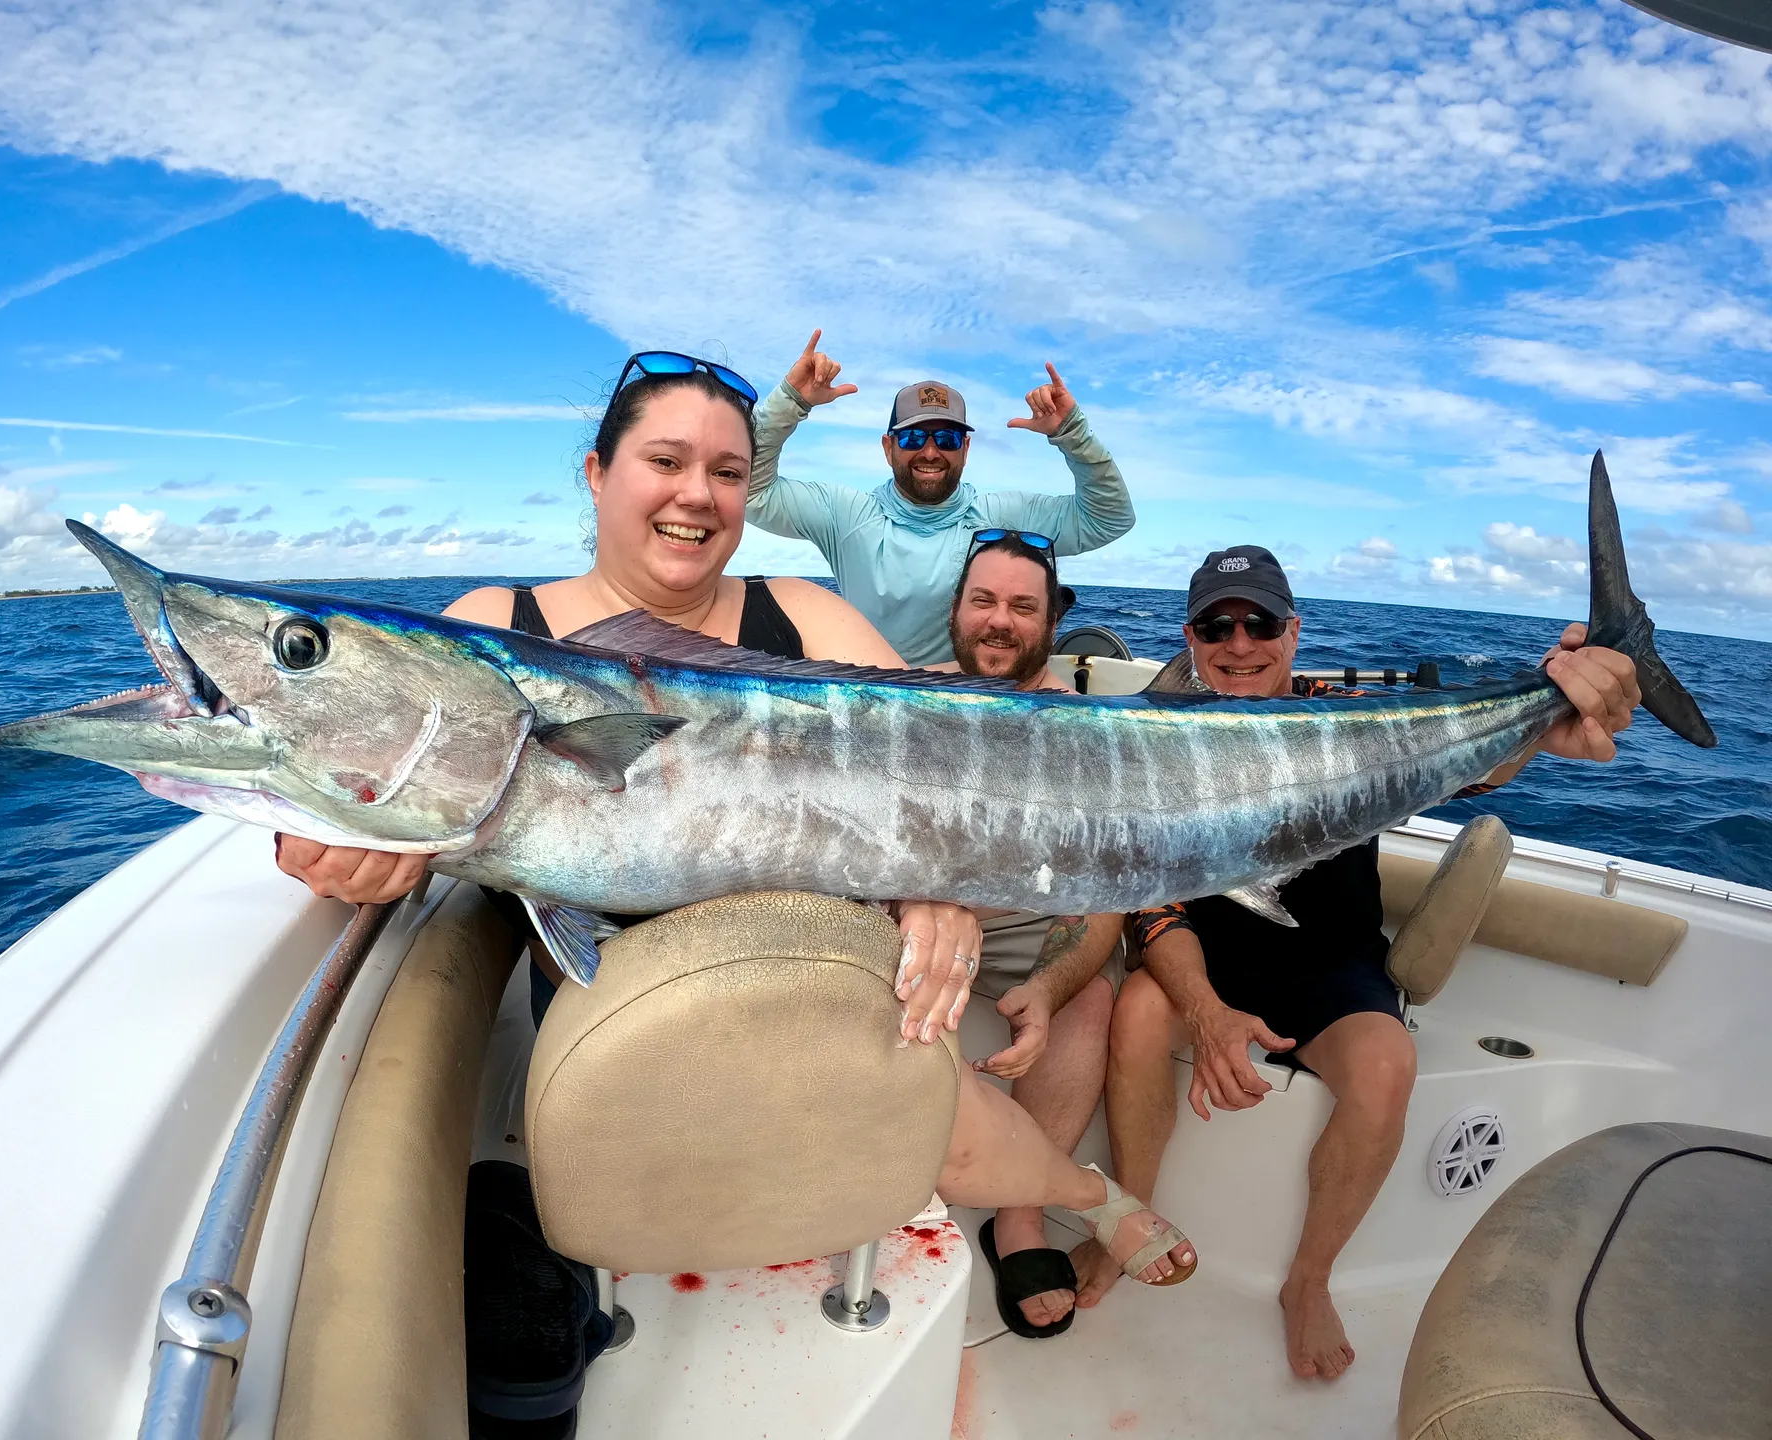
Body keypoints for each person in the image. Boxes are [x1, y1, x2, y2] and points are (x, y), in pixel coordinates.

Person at [273, 350, 1194, 1266]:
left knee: (927, 1101)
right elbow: (368, 759)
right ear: (598, 475)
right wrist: (331, 843)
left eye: (727, 472)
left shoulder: (801, 616)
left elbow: (941, 760)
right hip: (621, 1016)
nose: (698, 495)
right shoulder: (495, 624)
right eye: (665, 462)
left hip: (822, 979)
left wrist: (936, 883)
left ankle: (1086, 1195)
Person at [1076, 544, 1644, 1380]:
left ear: (1294, 632)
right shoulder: (1155, 740)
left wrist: (1551, 706)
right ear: (1189, 638)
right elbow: (1151, 905)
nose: (1240, 643)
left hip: (1329, 961)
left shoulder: (1356, 719)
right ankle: (1136, 1218)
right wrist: (1206, 1010)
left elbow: (1479, 768)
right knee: (1135, 1012)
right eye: (1216, 626)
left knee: (1386, 1064)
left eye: (1260, 623)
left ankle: (1308, 1280)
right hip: (1202, 949)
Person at [935, 530, 1191, 1337]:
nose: (999, 622)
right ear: (956, 609)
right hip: (915, 917)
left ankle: (1018, 1214)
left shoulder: (1095, 734)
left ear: (1053, 620)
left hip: (1032, 927)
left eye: (1021, 606)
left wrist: (1045, 989)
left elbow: (1102, 900)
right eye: (984, 601)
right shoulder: (905, 699)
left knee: (1089, 1001)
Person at [742, 330, 1135, 664]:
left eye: (945, 439)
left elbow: (1108, 518)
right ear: (888, 447)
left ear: (964, 449)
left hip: (968, 706)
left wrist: (1073, 434)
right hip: (867, 701)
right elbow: (749, 490)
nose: (930, 452)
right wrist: (790, 402)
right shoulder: (845, 514)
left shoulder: (1005, 516)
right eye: (913, 437)